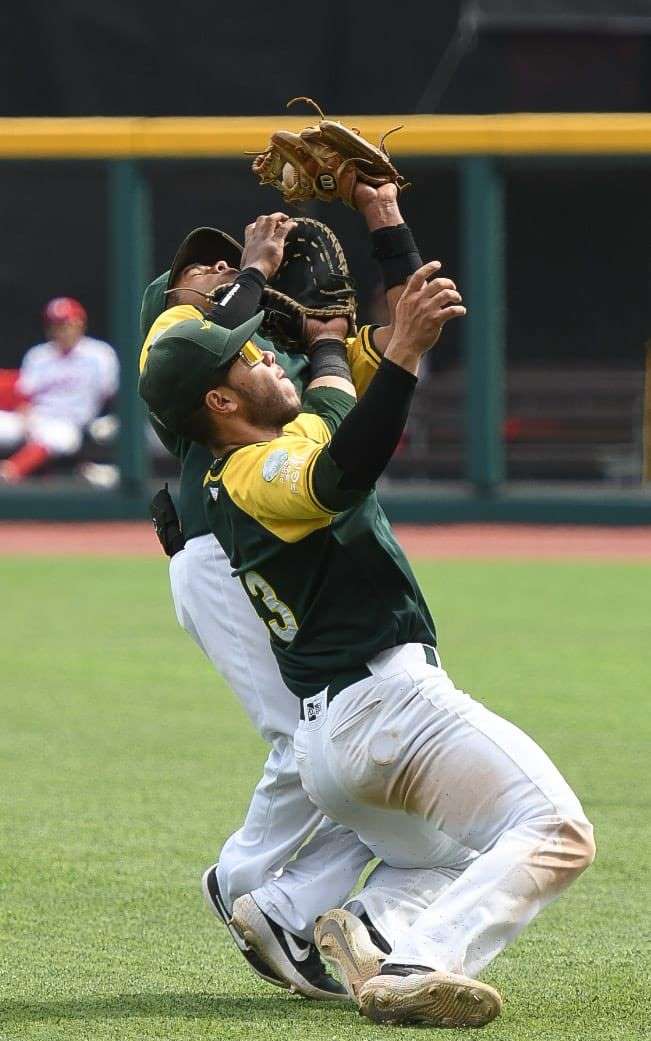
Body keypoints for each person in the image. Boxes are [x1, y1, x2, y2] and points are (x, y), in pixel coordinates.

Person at [139, 236, 596, 1027]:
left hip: (336, 745)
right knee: (554, 831)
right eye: (246, 360)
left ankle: (367, 926)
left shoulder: (257, 454)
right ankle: (422, 958)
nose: (263, 357)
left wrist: (379, 234)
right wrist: (399, 357)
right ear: (218, 403)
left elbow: (330, 410)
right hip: (390, 703)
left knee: (446, 852)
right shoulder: (254, 470)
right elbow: (340, 465)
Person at [138, 192, 442, 999]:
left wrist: (386, 220)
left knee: (333, 738)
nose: (208, 267)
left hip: (270, 559)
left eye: (217, 258)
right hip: (220, 555)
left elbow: (416, 320)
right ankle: (254, 880)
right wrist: (254, 268)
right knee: (314, 737)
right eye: (191, 267)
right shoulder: (170, 341)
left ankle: (278, 894)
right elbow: (215, 325)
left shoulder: (281, 361)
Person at [0, 297, 119, 482]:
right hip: (34, 418)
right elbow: (24, 395)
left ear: (80, 324)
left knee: (54, 437)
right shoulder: (38, 355)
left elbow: (112, 393)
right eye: (55, 325)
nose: (61, 330)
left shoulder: (100, 354)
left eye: (66, 324)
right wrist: (26, 417)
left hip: (69, 424)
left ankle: (8, 473)